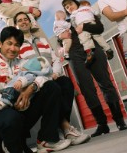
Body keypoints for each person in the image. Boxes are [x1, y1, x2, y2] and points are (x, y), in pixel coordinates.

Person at [0, 26, 71, 153]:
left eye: (16, 45)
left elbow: (46, 76)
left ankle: (46, 139)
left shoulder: (24, 63)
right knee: (11, 118)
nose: (12, 48)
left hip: (23, 109)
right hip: (0, 115)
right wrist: (11, 101)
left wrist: (31, 88)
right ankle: (9, 144)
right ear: (0, 44)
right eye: (9, 43)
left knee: (52, 87)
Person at [14, 12, 91, 145]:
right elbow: (23, 69)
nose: (23, 22)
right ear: (16, 25)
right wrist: (45, 77)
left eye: (26, 19)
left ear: (30, 22)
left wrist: (55, 72)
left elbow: (55, 59)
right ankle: (64, 128)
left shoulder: (42, 41)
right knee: (53, 87)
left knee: (66, 83)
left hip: (51, 77)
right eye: (19, 20)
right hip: (35, 84)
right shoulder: (17, 46)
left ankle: (62, 128)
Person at [61, 0, 127, 137]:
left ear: (77, 4)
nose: (69, 8)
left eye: (70, 4)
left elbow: (100, 28)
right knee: (87, 89)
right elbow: (60, 39)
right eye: (66, 7)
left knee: (105, 83)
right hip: (75, 55)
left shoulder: (86, 14)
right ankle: (102, 124)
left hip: (93, 49)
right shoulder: (65, 23)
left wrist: (84, 27)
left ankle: (119, 120)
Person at [0, 56, 53, 124]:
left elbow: (28, 78)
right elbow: (14, 77)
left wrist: (21, 82)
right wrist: (9, 79)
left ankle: (1, 104)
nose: (23, 68)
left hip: (14, 92)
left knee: (8, 97)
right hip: (5, 93)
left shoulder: (28, 73)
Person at [66, 0, 113, 65]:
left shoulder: (84, 9)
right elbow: (73, 21)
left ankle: (90, 51)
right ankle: (108, 49)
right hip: (89, 23)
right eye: (67, 7)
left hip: (87, 23)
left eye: (71, 5)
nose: (70, 7)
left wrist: (77, 27)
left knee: (84, 38)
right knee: (97, 37)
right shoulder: (75, 13)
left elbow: (96, 13)